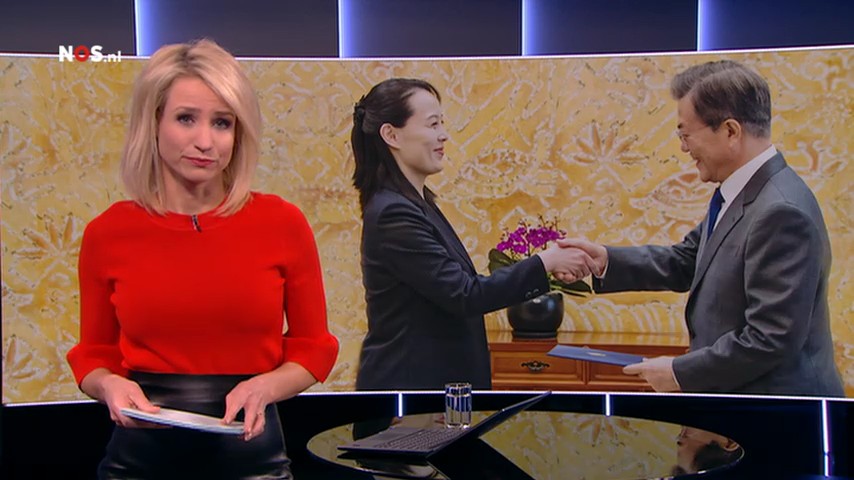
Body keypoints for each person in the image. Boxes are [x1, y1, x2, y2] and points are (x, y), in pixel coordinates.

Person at [66, 39, 339, 479]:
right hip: (139, 460)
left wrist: (265, 387)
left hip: (251, 457)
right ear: (153, 124)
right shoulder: (108, 232)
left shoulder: (282, 223)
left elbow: (314, 346)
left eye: (222, 123)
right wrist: (109, 384)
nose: (205, 141)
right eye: (186, 118)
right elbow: (95, 352)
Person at [557, 60, 844, 396]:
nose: (683, 147)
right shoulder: (742, 193)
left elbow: (771, 339)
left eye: (685, 134)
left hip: (777, 412)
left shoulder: (780, 212)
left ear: (730, 131)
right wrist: (605, 260)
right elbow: (687, 260)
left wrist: (680, 373)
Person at [350, 78, 595, 390]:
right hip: (410, 395)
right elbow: (464, 295)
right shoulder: (393, 213)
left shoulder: (416, 204)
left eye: (442, 123)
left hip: (433, 390)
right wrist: (545, 262)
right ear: (391, 135)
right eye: (433, 124)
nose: (444, 135)